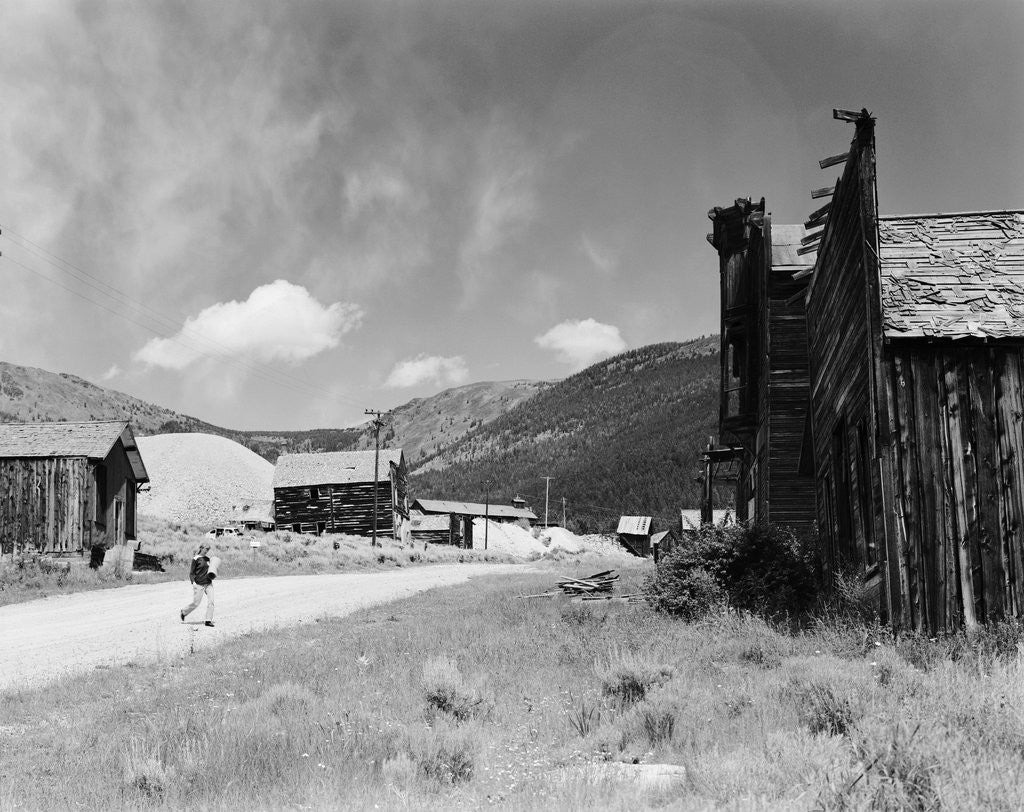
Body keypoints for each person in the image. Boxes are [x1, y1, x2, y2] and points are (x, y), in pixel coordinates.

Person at [180, 543, 216, 627]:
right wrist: (193, 582)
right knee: (196, 603)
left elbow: (211, 570)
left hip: (208, 583)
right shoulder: (196, 559)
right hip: (199, 584)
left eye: (208, 549)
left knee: (211, 602)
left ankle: (208, 620)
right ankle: (184, 612)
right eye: (206, 549)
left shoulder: (208, 559)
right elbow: (192, 573)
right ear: (201, 548)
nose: (207, 550)